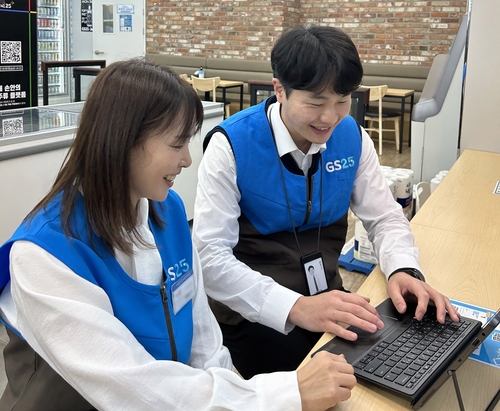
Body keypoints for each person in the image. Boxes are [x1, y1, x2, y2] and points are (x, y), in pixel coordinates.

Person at [0, 58, 357, 411]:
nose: (187, 160)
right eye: (176, 144)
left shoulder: (167, 211)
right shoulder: (45, 256)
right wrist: (283, 394)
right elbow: (133, 388)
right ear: (121, 141)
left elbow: (203, 338)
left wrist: (235, 395)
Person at [192, 25, 460, 379]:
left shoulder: (352, 137)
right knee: (329, 386)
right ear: (279, 90)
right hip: (252, 312)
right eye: (316, 103)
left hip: (327, 294)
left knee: (396, 358)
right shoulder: (230, 145)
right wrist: (295, 307)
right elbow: (209, 257)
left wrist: (403, 269)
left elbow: (384, 217)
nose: (330, 117)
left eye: (342, 101)